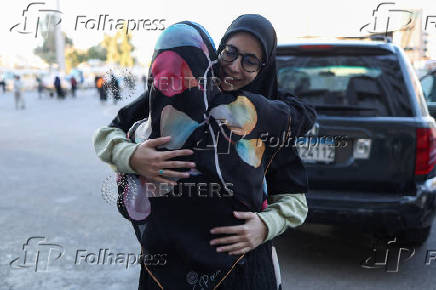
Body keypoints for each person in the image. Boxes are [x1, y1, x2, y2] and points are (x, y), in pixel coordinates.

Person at [93, 15, 316, 290]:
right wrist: (133, 157)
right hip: (164, 270)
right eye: (230, 52)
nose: (234, 67)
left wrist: (265, 226)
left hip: (244, 271)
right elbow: (106, 136)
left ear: (264, 68)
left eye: (250, 61)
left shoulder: (266, 119)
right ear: (217, 50)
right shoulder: (177, 92)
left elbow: (296, 199)